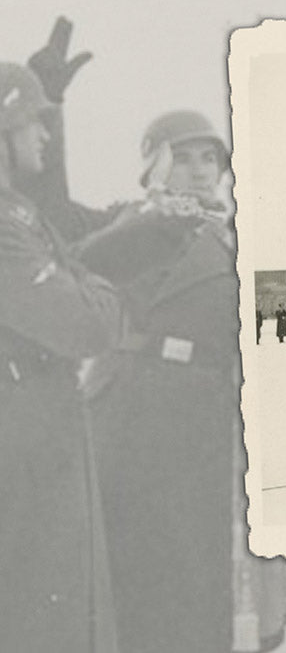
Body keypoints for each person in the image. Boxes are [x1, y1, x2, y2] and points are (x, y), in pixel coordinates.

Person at [70, 109, 241, 653]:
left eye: (208, 159)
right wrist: (153, 211)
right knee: (130, 574)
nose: (198, 171)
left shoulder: (232, 239)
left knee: (196, 577)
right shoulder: (131, 222)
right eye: (182, 158)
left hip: (202, 426)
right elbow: (87, 258)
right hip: (130, 412)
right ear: (153, 165)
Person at [0, 61, 123, 651]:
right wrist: (98, 289)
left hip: (32, 425)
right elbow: (87, 327)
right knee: (41, 608)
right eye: (33, 123)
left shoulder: (16, 211)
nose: (44, 136)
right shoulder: (3, 221)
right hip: (22, 434)